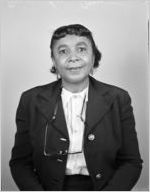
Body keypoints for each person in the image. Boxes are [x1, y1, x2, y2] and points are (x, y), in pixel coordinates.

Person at [9, 24, 143, 191]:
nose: (73, 57)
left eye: (81, 49)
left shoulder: (119, 99)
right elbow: (20, 164)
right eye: (63, 51)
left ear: (93, 57)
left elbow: (131, 162)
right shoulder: (30, 100)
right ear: (54, 61)